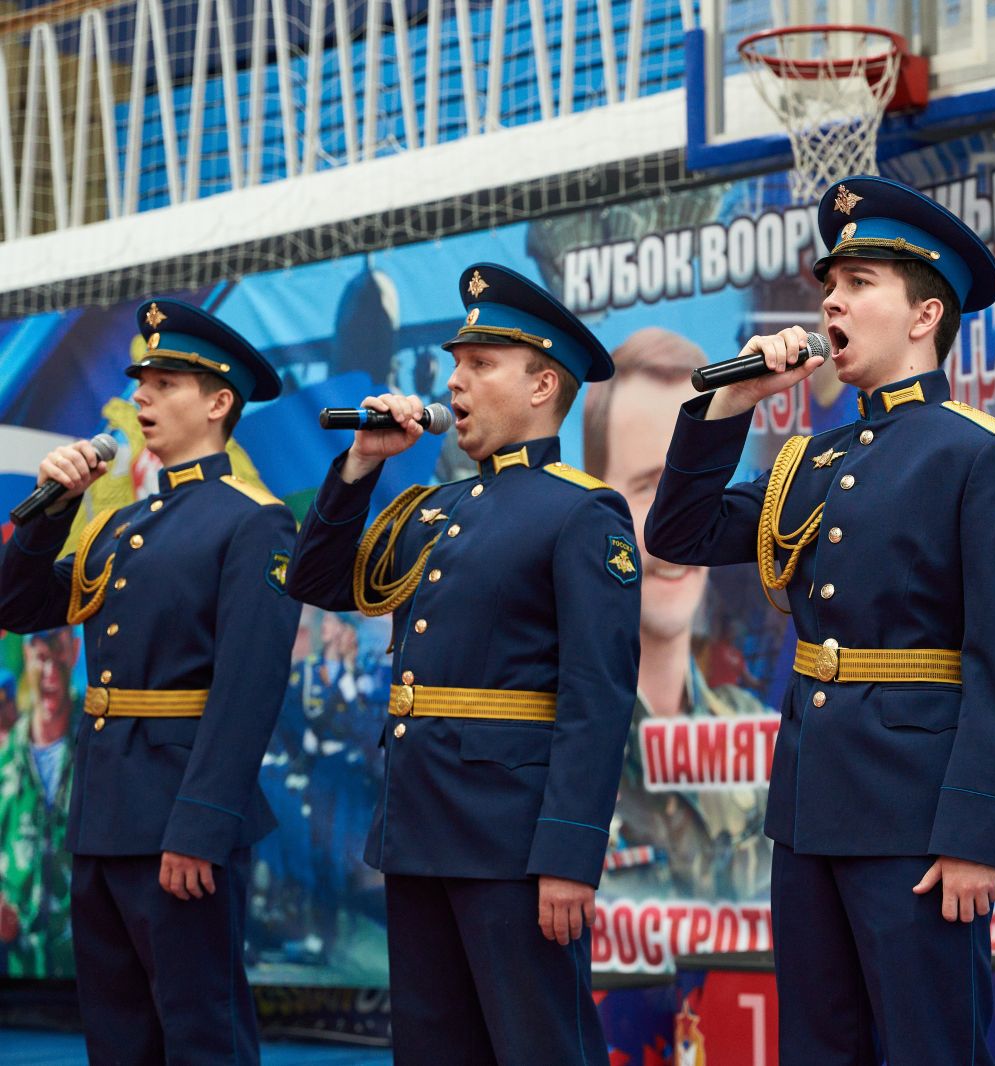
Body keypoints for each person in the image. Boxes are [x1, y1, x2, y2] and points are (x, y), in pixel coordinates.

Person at [645, 176, 995, 1064]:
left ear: (924, 316)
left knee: (928, 1049)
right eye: (831, 284)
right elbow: (678, 532)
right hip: (810, 811)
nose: (831, 300)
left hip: (917, 821)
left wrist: (976, 836)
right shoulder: (813, 461)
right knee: (818, 1048)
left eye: (860, 283)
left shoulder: (979, 454)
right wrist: (733, 404)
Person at [285, 262, 640, 1066]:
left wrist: (568, 855)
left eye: (481, 364)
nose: (455, 382)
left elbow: (596, 696)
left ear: (543, 384)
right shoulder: (434, 511)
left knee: (542, 1049)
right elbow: (315, 581)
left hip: (512, 844)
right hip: (418, 830)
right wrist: (362, 463)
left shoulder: (582, 512)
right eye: (455, 364)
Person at [0, 300, 300, 1064]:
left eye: (164, 383)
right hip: (103, 816)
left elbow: (248, 690)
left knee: (202, 1035)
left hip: (178, 820)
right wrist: (49, 514)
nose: (140, 396)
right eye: (141, 381)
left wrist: (200, 827)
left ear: (218, 401)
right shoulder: (118, 525)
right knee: (118, 1039)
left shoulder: (254, 520)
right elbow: (16, 606)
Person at [582, 327, 773, 902]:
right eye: (649, 488)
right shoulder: (564, 731)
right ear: (599, 499)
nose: (676, 524)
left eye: (694, 491)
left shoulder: (759, 737)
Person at [0, 629, 79, 977]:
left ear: (75, 651)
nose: (50, 671)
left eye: (58, 655)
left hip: (89, 974)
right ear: (26, 657)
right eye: (41, 656)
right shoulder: (5, 759)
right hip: (18, 972)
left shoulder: (102, 751)